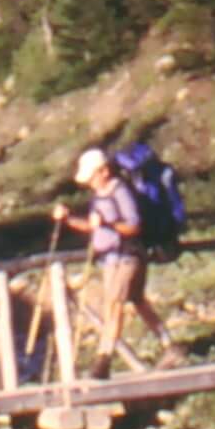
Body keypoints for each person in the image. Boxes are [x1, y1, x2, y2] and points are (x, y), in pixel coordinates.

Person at [51, 146, 177, 376]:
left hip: (125, 257)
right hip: (112, 258)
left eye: (91, 177)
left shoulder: (120, 191)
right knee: (137, 301)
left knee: (114, 304)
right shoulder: (100, 195)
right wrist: (69, 218)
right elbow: (93, 225)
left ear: (103, 171)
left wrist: (107, 224)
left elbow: (133, 225)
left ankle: (103, 361)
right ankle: (170, 346)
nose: (89, 182)